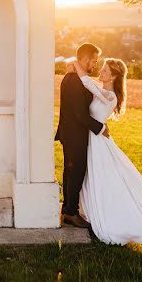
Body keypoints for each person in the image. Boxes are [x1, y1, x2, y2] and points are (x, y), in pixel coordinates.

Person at [66, 56, 142, 245]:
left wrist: (77, 64)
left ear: (113, 77)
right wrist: (73, 65)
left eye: (105, 70)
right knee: (86, 176)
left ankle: (110, 217)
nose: (101, 71)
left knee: (101, 178)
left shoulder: (110, 96)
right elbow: (88, 84)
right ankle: (81, 210)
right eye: (102, 68)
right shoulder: (103, 90)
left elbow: (87, 82)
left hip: (97, 142)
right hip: (92, 138)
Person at [55, 42, 110, 228]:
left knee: (71, 172)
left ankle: (67, 208)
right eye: (93, 61)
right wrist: (100, 128)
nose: (94, 65)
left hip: (71, 133)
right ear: (84, 59)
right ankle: (71, 212)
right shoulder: (74, 81)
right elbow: (80, 114)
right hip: (74, 134)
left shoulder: (74, 77)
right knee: (75, 173)